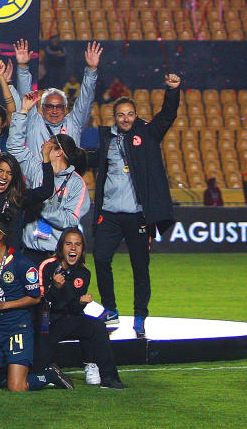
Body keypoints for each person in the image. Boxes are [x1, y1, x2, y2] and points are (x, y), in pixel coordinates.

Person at [89, 74, 181, 337]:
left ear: (136, 115)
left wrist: (172, 90)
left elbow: (167, 115)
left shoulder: (148, 133)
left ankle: (140, 316)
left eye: (130, 114)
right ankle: (110, 309)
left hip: (138, 215)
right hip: (109, 214)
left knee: (140, 268)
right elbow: (89, 159)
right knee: (101, 258)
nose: (126, 118)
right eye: (121, 115)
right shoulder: (106, 138)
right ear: (114, 116)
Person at [0, 215, 74, 391]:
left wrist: (4, 305)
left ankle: (48, 375)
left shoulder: (22, 264)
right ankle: (4, 377)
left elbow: (35, 297)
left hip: (17, 329)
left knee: (17, 388)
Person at [38, 228, 127, 389]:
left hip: (68, 318)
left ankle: (109, 378)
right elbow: (41, 301)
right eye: (69, 244)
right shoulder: (48, 266)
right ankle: (48, 372)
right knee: (36, 364)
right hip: (46, 320)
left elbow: (72, 306)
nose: (73, 248)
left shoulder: (84, 273)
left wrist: (80, 303)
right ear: (61, 247)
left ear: (82, 249)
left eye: (78, 244)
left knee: (97, 326)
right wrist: (56, 288)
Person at [8, 95, 91, 265]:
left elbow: (71, 220)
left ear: (58, 152)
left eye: (48, 144)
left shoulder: (76, 183)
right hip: (30, 250)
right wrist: (23, 112)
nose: (42, 145)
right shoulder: (37, 169)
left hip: (57, 255)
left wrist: (41, 207)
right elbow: (14, 147)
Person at [15, 39, 102, 151]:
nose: (54, 111)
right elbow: (25, 95)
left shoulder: (74, 124)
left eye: (59, 106)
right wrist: (22, 67)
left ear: (65, 109)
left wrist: (91, 70)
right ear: (42, 108)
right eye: (50, 106)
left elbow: (86, 100)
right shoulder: (34, 123)